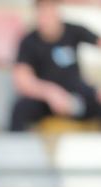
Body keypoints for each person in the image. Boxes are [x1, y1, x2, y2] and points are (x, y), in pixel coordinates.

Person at [11, 0, 101, 132]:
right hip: (45, 100)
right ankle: (16, 150)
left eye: (50, 9)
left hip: (77, 95)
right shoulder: (29, 41)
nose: (46, 16)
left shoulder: (73, 30)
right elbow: (22, 80)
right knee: (20, 109)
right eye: (42, 10)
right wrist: (50, 93)